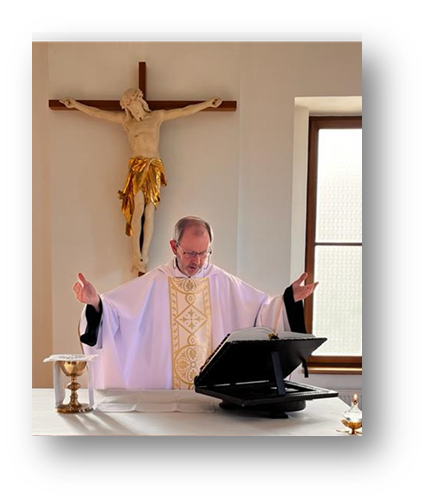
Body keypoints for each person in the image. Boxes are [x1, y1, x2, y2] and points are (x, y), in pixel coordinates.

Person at [74, 216, 319, 390]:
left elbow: (261, 314)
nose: (197, 261)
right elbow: (114, 314)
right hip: (163, 396)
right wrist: (95, 303)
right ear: (174, 246)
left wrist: (289, 300)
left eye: (204, 253)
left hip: (213, 394)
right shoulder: (153, 282)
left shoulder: (223, 282)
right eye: (190, 253)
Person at [60, 90, 222, 274]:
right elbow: (98, 113)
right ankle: (136, 254)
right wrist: (75, 105)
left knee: (150, 209)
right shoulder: (127, 121)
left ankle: (145, 254)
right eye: (129, 108)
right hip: (137, 168)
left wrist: (207, 103)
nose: (134, 110)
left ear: (141, 102)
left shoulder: (156, 117)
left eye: (135, 105)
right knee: (138, 208)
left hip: (153, 167)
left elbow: (184, 111)